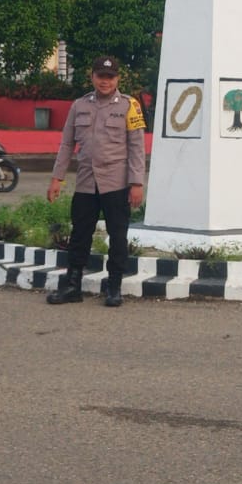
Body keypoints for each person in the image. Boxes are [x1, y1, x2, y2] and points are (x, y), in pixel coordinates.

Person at [46, 56, 147, 307]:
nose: (105, 81)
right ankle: (72, 286)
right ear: (92, 77)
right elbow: (67, 143)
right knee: (80, 235)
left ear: (118, 79)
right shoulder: (79, 105)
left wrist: (137, 183)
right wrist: (57, 178)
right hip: (86, 183)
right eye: (101, 76)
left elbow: (136, 147)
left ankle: (114, 287)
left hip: (116, 183)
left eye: (110, 77)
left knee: (118, 236)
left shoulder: (129, 105)